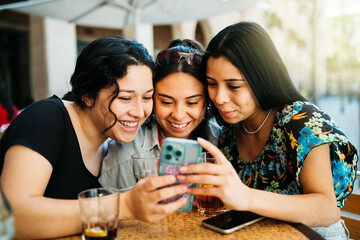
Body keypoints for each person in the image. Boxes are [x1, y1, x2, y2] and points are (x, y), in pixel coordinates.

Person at [178, 22, 358, 239]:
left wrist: (246, 196)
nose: (219, 98)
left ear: (262, 78)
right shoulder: (230, 131)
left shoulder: (300, 120)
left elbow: (327, 209)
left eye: (234, 86)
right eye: (212, 84)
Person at [0, 36, 188, 239]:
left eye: (147, 97)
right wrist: (124, 205)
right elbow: (11, 216)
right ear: (88, 95)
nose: (140, 111)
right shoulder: (46, 118)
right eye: (125, 98)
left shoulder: (113, 138)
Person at [100, 39, 220, 191]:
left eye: (191, 103)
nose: (178, 115)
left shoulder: (221, 140)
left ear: (207, 101)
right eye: (166, 102)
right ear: (151, 97)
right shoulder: (127, 153)